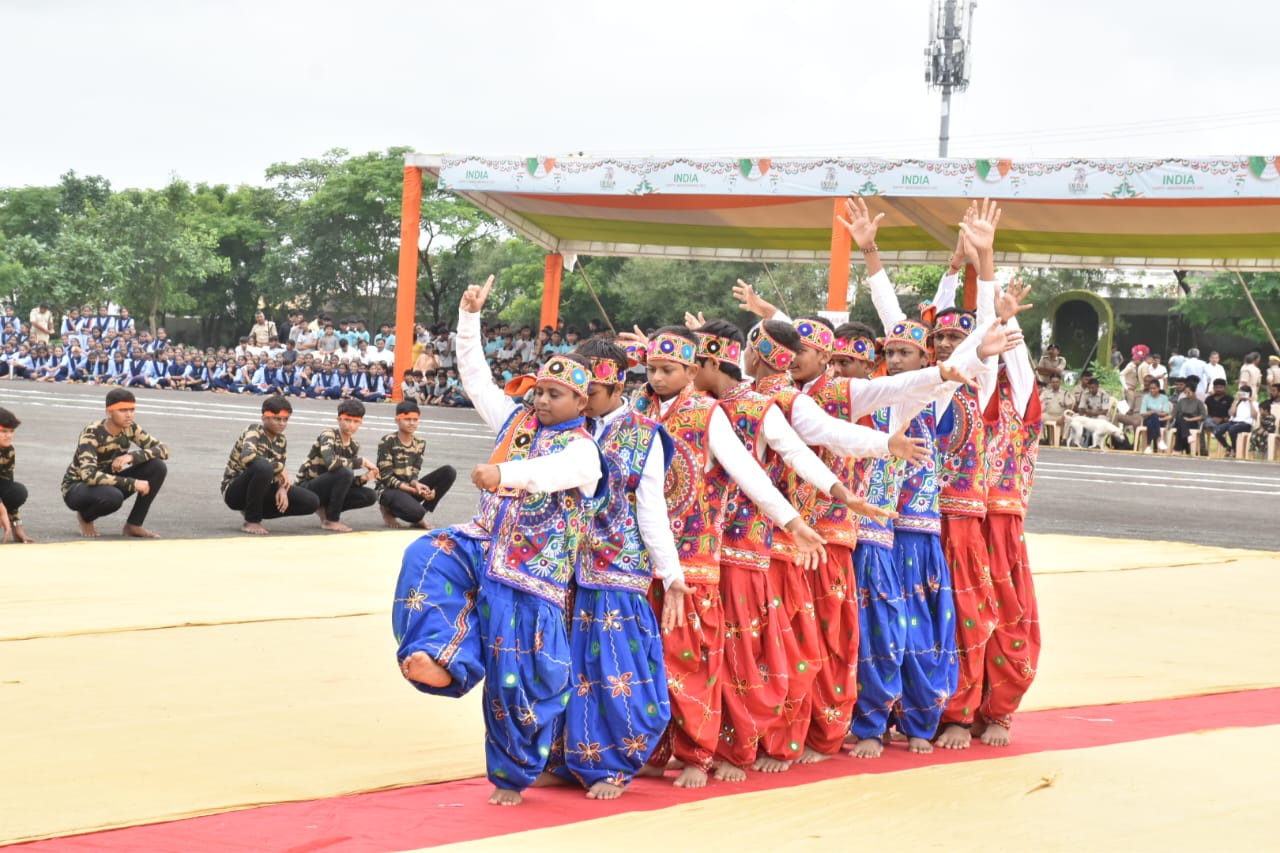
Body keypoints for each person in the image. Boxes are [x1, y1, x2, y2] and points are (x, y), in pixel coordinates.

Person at [394, 275, 603, 807]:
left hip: (532, 578)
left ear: (581, 398)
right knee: (426, 553)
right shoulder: (516, 419)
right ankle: (442, 658)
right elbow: (475, 377)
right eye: (539, 391)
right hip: (483, 544)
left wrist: (504, 473)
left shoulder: (584, 451)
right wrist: (468, 318)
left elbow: (551, 473)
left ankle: (513, 775)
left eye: (555, 394)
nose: (543, 400)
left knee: (519, 679)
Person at [618, 323, 826, 788]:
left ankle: (699, 755)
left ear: (693, 370)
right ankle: (655, 747)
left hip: (695, 560)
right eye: (650, 369)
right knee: (649, 660)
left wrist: (792, 523)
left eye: (667, 369)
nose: (656, 377)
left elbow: (750, 473)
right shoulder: (637, 411)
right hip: (643, 558)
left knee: (693, 661)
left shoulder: (708, 414)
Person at [548, 337, 685, 800]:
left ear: (618, 384)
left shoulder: (644, 434)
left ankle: (611, 764)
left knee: (612, 670)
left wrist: (672, 574)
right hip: (562, 565)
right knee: (560, 666)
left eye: (596, 390)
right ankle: (562, 761)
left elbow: (651, 510)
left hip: (617, 568)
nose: (586, 400)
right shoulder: (567, 426)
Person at [60, 388, 169, 538]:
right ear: (109, 412)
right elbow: (89, 476)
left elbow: (163, 450)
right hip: (77, 487)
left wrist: (132, 457)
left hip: (106, 479)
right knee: (113, 497)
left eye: (132, 409)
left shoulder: (130, 428)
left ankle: (134, 524)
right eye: (123, 410)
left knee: (157, 467)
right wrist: (133, 483)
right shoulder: (92, 432)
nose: (129, 414)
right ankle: (86, 517)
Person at [221, 395, 321, 535]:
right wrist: (280, 469)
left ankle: (253, 509)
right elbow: (248, 457)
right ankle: (252, 520)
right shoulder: (254, 430)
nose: (282, 423)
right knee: (262, 467)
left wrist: (282, 488)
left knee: (311, 502)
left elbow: (279, 472)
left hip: (262, 487)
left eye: (285, 419)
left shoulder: (281, 440)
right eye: (277, 419)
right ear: (264, 418)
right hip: (235, 490)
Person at [296, 400, 380, 532]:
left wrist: (363, 479)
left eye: (355, 421)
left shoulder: (354, 446)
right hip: (308, 487)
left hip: (328, 489)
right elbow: (332, 464)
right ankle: (331, 520)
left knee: (370, 496)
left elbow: (345, 482)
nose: (351, 425)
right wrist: (362, 461)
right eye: (347, 420)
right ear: (339, 419)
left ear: (361, 422)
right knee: (345, 471)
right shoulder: (329, 435)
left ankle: (325, 508)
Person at [375, 400, 457, 529]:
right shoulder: (388, 441)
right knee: (414, 512)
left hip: (408, 487)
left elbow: (414, 473)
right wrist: (414, 490)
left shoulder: (420, 442)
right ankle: (387, 510)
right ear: (397, 420)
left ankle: (420, 515)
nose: (412, 423)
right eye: (407, 419)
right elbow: (386, 477)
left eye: (415, 419)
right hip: (388, 489)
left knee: (448, 472)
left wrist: (418, 486)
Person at [0, 407, 34, 543]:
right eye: (3, 431)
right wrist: (1, 509)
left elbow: (7, 486)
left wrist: (17, 525)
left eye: (11, 431)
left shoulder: (8, 450)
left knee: (16, 491)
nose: (9, 436)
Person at [1214, 386, 1256, 457]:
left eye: (1244, 393)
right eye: (1241, 393)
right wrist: (1236, 401)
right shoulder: (1237, 402)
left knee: (1232, 430)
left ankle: (1234, 450)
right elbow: (1231, 414)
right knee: (1217, 430)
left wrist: (1250, 402)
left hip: (1246, 423)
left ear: (1249, 394)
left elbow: (1255, 416)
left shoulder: (1254, 403)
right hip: (1234, 422)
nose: (1242, 395)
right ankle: (1228, 447)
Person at [1171, 376, 1207, 454]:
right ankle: (1188, 436)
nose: (1186, 394)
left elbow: (1203, 416)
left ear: (1194, 392)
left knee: (1181, 426)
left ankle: (1178, 448)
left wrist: (1190, 419)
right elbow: (1174, 413)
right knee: (1181, 419)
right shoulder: (1181, 401)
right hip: (1180, 419)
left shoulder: (1198, 402)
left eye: (1189, 392)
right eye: (1185, 392)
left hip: (1192, 421)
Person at [1138, 378, 1173, 453]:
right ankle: (1159, 439)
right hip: (1147, 419)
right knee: (1152, 418)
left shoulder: (1164, 398)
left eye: (1154, 388)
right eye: (1150, 388)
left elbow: (1165, 413)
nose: (1152, 390)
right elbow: (1142, 412)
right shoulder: (1146, 397)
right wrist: (1151, 412)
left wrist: (1154, 412)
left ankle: (1148, 445)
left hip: (1161, 420)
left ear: (1158, 388)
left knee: (1153, 418)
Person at [1039, 374, 1071, 444]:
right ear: (1050, 383)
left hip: (1060, 415)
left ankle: (1064, 439)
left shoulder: (1065, 393)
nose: (1055, 384)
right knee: (1039, 418)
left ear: (1060, 382)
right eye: (1053, 382)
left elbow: (1069, 406)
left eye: (1057, 382)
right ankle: (1042, 439)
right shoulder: (1046, 393)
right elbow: (1038, 402)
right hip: (1048, 415)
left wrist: (1063, 417)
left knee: (1069, 419)